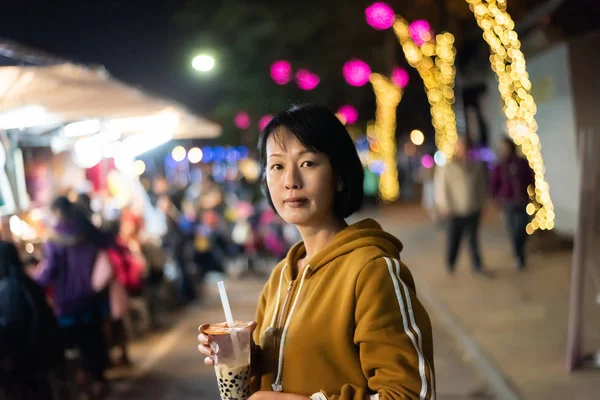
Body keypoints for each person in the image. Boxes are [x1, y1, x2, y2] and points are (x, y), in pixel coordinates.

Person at [198, 104, 435, 400]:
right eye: (277, 166)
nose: (291, 181)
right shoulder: (280, 276)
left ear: (339, 176)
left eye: (308, 163)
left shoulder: (372, 270)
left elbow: (410, 394)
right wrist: (246, 358)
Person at [33, 196, 110, 397]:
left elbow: (49, 270)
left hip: (66, 303)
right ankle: (98, 378)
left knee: (71, 345)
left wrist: (33, 281)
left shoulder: (54, 238)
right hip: (91, 298)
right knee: (92, 340)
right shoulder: (86, 230)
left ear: (57, 212)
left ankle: (79, 380)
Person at [0, 241, 63, 400]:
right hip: (40, 357)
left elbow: (12, 327)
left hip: (25, 361)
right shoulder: (27, 282)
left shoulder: (9, 288)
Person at [434, 136, 488, 275]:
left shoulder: (476, 166)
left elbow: (481, 187)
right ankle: (450, 264)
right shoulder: (448, 167)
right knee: (454, 239)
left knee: (473, 240)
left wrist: (481, 203)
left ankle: (477, 265)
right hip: (455, 210)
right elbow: (442, 187)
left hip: (472, 208)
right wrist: (445, 206)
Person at [490, 137, 535, 270]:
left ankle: (520, 251)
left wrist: (534, 194)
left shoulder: (522, 162)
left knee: (523, 228)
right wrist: (495, 199)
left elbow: (530, 179)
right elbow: (494, 184)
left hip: (522, 200)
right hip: (508, 202)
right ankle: (519, 256)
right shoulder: (499, 165)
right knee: (512, 230)